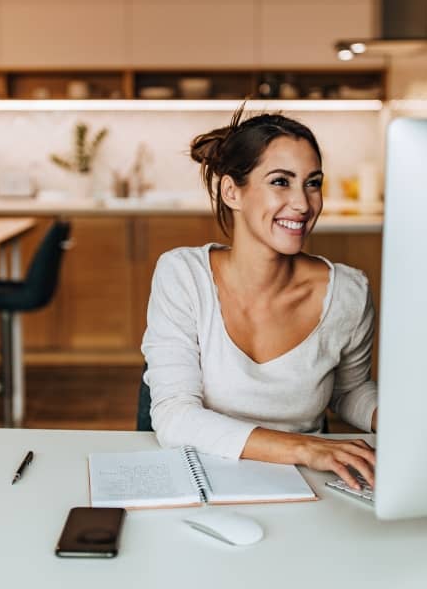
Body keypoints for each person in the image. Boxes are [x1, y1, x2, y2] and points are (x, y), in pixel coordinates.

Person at [141, 108, 378, 489]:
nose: (303, 204)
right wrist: (303, 448)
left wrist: (402, 418)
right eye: (281, 182)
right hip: (203, 478)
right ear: (232, 191)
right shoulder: (183, 276)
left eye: (313, 183)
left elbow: (349, 390)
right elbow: (174, 416)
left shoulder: (349, 293)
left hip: (310, 485)